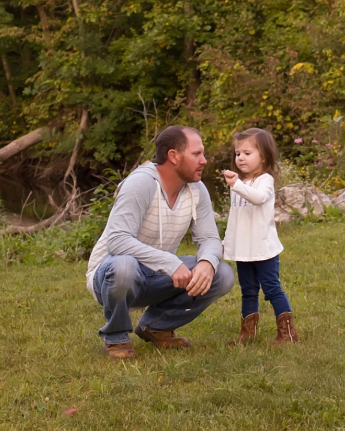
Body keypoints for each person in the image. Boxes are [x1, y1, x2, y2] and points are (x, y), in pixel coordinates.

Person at [86, 124, 234, 359]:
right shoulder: (142, 183)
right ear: (173, 156)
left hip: (155, 276)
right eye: (197, 154)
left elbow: (209, 239)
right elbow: (117, 240)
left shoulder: (197, 190)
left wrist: (207, 261)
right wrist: (169, 262)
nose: (204, 160)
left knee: (221, 274)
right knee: (124, 265)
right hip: (111, 276)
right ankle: (116, 338)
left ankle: (156, 326)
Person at [221, 126, 298, 346]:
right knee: (248, 290)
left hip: (263, 248)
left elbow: (258, 198)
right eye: (237, 154)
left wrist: (235, 184)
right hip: (243, 249)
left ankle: (288, 333)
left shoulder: (265, 181)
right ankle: (248, 333)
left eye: (247, 153)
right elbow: (235, 217)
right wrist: (228, 242)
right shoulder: (240, 184)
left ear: (263, 156)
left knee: (272, 288)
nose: (241, 158)